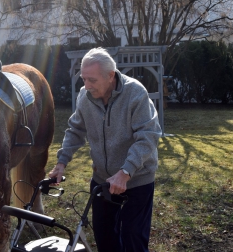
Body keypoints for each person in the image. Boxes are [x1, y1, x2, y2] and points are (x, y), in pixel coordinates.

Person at [49, 47, 162, 252]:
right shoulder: (85, 96)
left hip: (137, 180)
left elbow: (148, 136)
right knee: (104, 237)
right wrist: (61, 162)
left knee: (133, 239)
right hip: (102, 179)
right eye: (84, 79)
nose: (86, 85)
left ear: (110, 76)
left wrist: (126, 172)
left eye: (92, 80)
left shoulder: (135, 93)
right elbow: (75, 129)